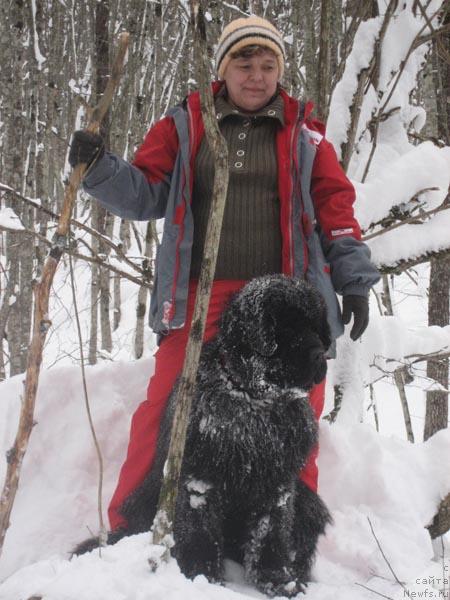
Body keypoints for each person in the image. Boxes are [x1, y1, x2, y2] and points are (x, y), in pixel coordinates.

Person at [69, 16, 380, 535]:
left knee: (296, 407)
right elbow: (146, 192)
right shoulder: (187, 124)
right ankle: (134, 521)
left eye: (268, 65)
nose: (256, 76)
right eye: (244, 63)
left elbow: (335, 208)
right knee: (170, 398)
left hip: (283, 300)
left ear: (280, 70)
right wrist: (98, 169)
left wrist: (353, 279)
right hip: (202, 291)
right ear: (222, 68)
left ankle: (282, 529)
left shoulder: (305, 133)